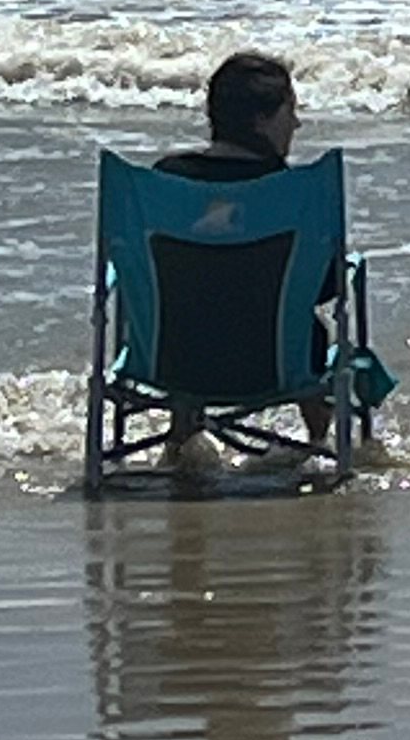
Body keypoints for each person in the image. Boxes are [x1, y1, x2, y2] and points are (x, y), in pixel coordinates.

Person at [151, 51, 391, 471]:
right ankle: (319, 440)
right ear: (262, 120)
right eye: (290, 111)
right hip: (275, 363)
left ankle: (182, 434)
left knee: (194, 298)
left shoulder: (165, 179)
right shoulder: (292, 194)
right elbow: (326, 287)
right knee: (295, 319)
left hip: (170, 359)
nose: (296, 125)